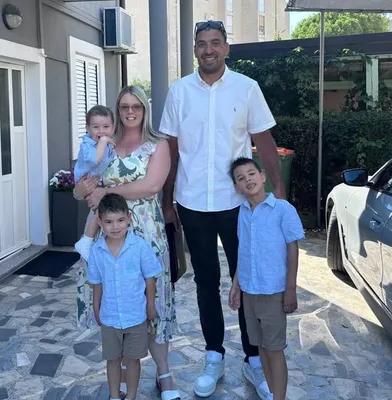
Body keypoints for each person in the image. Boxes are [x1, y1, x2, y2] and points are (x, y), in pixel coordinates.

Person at [160, 20, 284, 398]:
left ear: (227, 47)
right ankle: (214, 354)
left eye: (215, 43)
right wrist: (167, 201)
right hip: (193, 202)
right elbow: (171, 152)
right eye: (202, 44)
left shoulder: (247, 88)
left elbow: (264, 141)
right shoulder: (179, 92)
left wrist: (277, 193)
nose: (209, 50)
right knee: (206, 282)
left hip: (238, 204)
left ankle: (252, 359)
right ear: (195, 49)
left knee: (248, 280)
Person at [73, 86, 180, 400]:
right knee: (115, 298)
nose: (130, 112)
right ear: (117, 110)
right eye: (124, 106)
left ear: (145, 109)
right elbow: (79, 186)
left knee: (153, 300)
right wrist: (83, 190)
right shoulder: (102, 141)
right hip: (106, 232)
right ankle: (120, 375)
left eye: (137, 106)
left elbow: (152, 185)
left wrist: (105, 192)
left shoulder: (158, 144)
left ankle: (164, 373)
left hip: (145, 231)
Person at [228, 157, 304, 400]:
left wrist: (290, 289)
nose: (247, 180)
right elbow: (244, 251)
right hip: (250, 292)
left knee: (274, 349)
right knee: (260, 347)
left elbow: (293, 250)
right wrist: (236, 285)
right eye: (241, 178)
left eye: (251, 174)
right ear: (237, 187)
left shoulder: (283, 209)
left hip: (273, 291)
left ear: (262, 176)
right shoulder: (242, 213)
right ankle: (272, 394)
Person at [78, 193, 162, 400]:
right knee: (113, 360)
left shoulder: (140, 247)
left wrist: (150, 305)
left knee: (133, 360)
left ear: (128, 218)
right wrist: (96, 308)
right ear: (100, 222)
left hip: (136, 315)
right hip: (110, 317)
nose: (115, 227)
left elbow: (150, 278)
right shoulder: (97, 251)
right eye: (108, 222)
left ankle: (131, 396)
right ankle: (115, 396)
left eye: (120, 220)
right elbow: (97, 283)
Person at [74, 105, 116, 183]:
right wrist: (103, 141)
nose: (101, 131)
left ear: (113, 128)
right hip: (87, 184)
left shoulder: (109, 143)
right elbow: (95, 160)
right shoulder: (86, 146)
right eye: (96, 127)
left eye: (106, 126)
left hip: (102, 183)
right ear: (88, 128)